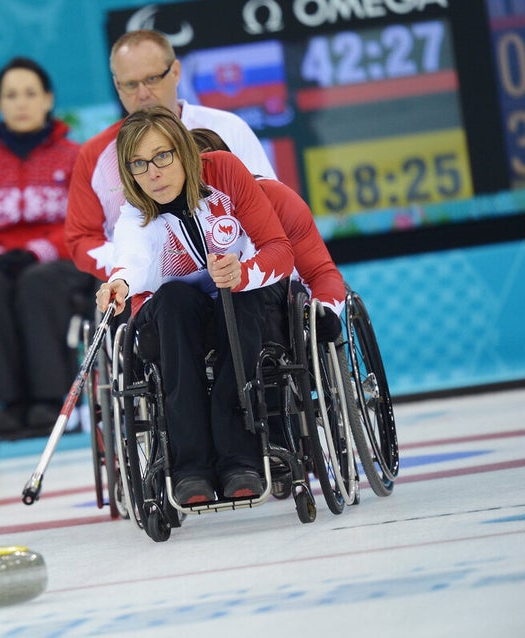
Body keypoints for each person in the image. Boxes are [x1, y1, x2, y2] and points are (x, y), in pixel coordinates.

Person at [95, 106, 293, 505]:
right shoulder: (136, 212)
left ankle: (240, 459)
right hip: (178, 318)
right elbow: (133, 260)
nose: (153, 172)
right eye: (139, 164)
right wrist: (118, 283)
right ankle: (190, 468)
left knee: (236, 298)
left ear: (183, 150)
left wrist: (245, 272)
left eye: (162, 156)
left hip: (242, 294)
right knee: (172, 299)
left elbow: (279, 249)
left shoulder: (224, 172)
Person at [0, 57, 94, 437]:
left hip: (60, 264)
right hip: (0, 265)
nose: (21, 103)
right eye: (10, 95)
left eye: (30, 93)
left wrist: (38, 250)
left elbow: (88, 221)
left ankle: (49, 399)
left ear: (48, 99)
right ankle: (6, 403)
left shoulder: (76, 157)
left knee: (37, 281)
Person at [66, 28, 277, 282]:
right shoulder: (95, 154)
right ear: (117, 86)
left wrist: (243, 270)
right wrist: (139, 266)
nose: (143, 93)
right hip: (152, 296)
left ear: (175, 72)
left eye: (152, 79)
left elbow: (271, 207)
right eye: (131, 84)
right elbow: (81, 240)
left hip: (237, 279)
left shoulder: (227, 129)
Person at [190, 128, 345, 341]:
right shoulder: (162, 219)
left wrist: (325, 311)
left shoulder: (279, 200)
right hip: (199, 315)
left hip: (263, 307)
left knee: (250, 295)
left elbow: (319, 272)